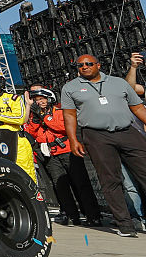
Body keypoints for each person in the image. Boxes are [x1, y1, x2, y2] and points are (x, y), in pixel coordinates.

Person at [62, 54, 146, 237]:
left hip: (127, 131)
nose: (84, 67)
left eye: (88, 64)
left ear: (98, 65)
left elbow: (138, 107)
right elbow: (69, 115)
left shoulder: (119, 83)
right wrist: (73, 140)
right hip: (96, 135)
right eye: (80, 65)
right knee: (110, 180)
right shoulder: (70, 88)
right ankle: (125, 225)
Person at [24, 86, 101, 226]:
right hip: (50, 155)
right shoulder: (34, 115)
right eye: (36, 100)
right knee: (60, 186)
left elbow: (63, 127)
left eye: (41, 99)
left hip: (67, 151)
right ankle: (71, 215)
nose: (39, 102)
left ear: (49, 99)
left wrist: (43, 117)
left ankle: (92, 215)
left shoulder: (59, 111)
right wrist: (35, 118)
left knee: (80, 183)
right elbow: (31, 132)